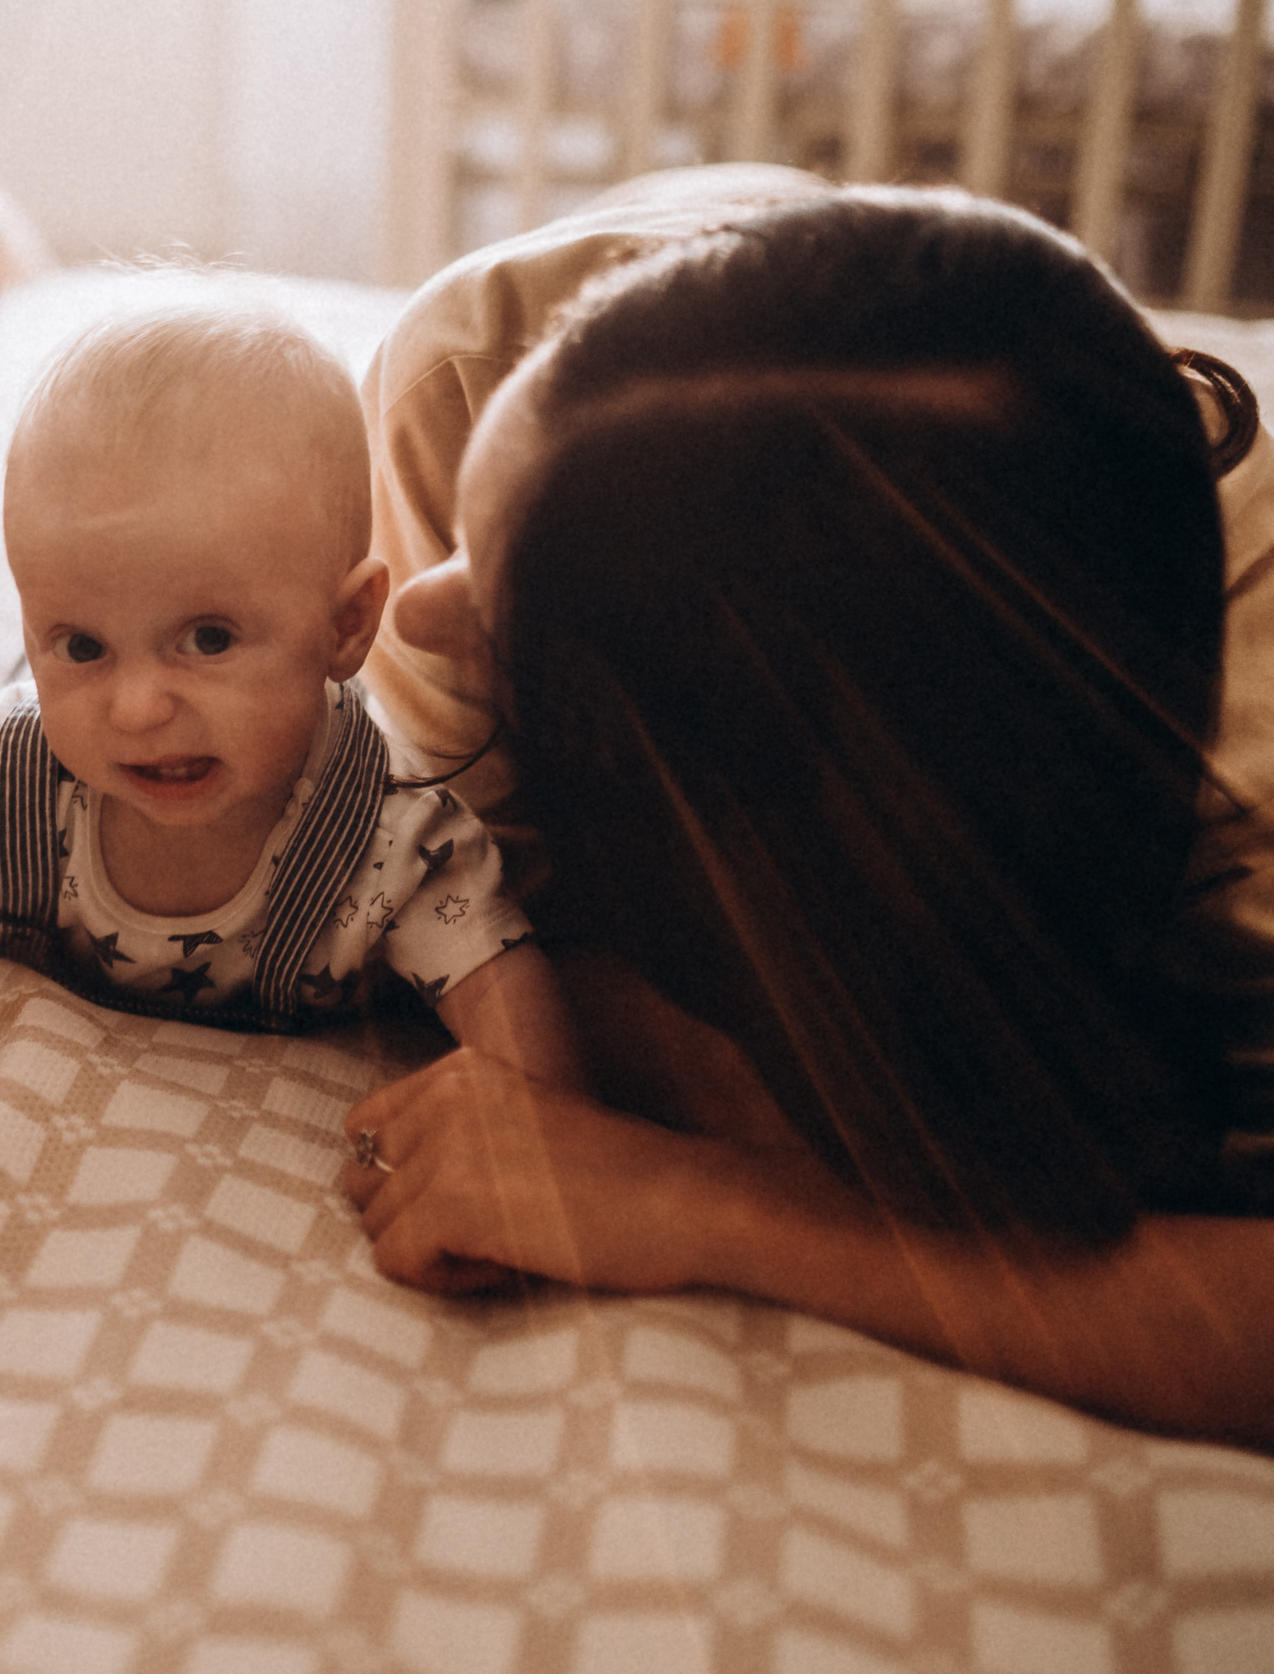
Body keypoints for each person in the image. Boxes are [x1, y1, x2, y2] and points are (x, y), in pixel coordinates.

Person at [340, 168, 1274, 1449]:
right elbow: (431, 921)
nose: (413, 616)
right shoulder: (463, 389)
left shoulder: (1228, 817)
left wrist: (700, 1204)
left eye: (502, 631)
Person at [0, 291, 582, 1089]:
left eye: (208, 640)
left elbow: (497, 983)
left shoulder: (388, 827)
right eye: (82, 647)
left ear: (347, 626)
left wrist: (535, 1112)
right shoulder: (13, 775)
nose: (136, 710)